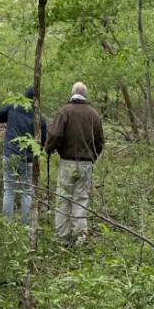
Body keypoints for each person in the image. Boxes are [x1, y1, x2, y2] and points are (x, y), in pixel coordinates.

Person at [44, 81, 104, 244]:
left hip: (67, 162)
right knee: (80, 200)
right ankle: (79, 239)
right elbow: (100, 142)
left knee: (64, 199)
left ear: (72, 94)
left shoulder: (65, 111)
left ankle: (62, 238)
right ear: (85, 95)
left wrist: (48, 149)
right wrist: (93, 157)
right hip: (86, 164)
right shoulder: (94, 114)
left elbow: (55, 134)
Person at [0, 87, 47, 224]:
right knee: (27, 191)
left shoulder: (12, 107)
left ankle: (7, 224)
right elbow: (42, 141)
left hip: (9, 154)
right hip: (28, 158)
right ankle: (26, 226)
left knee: (9, 190)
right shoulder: (40, 117)